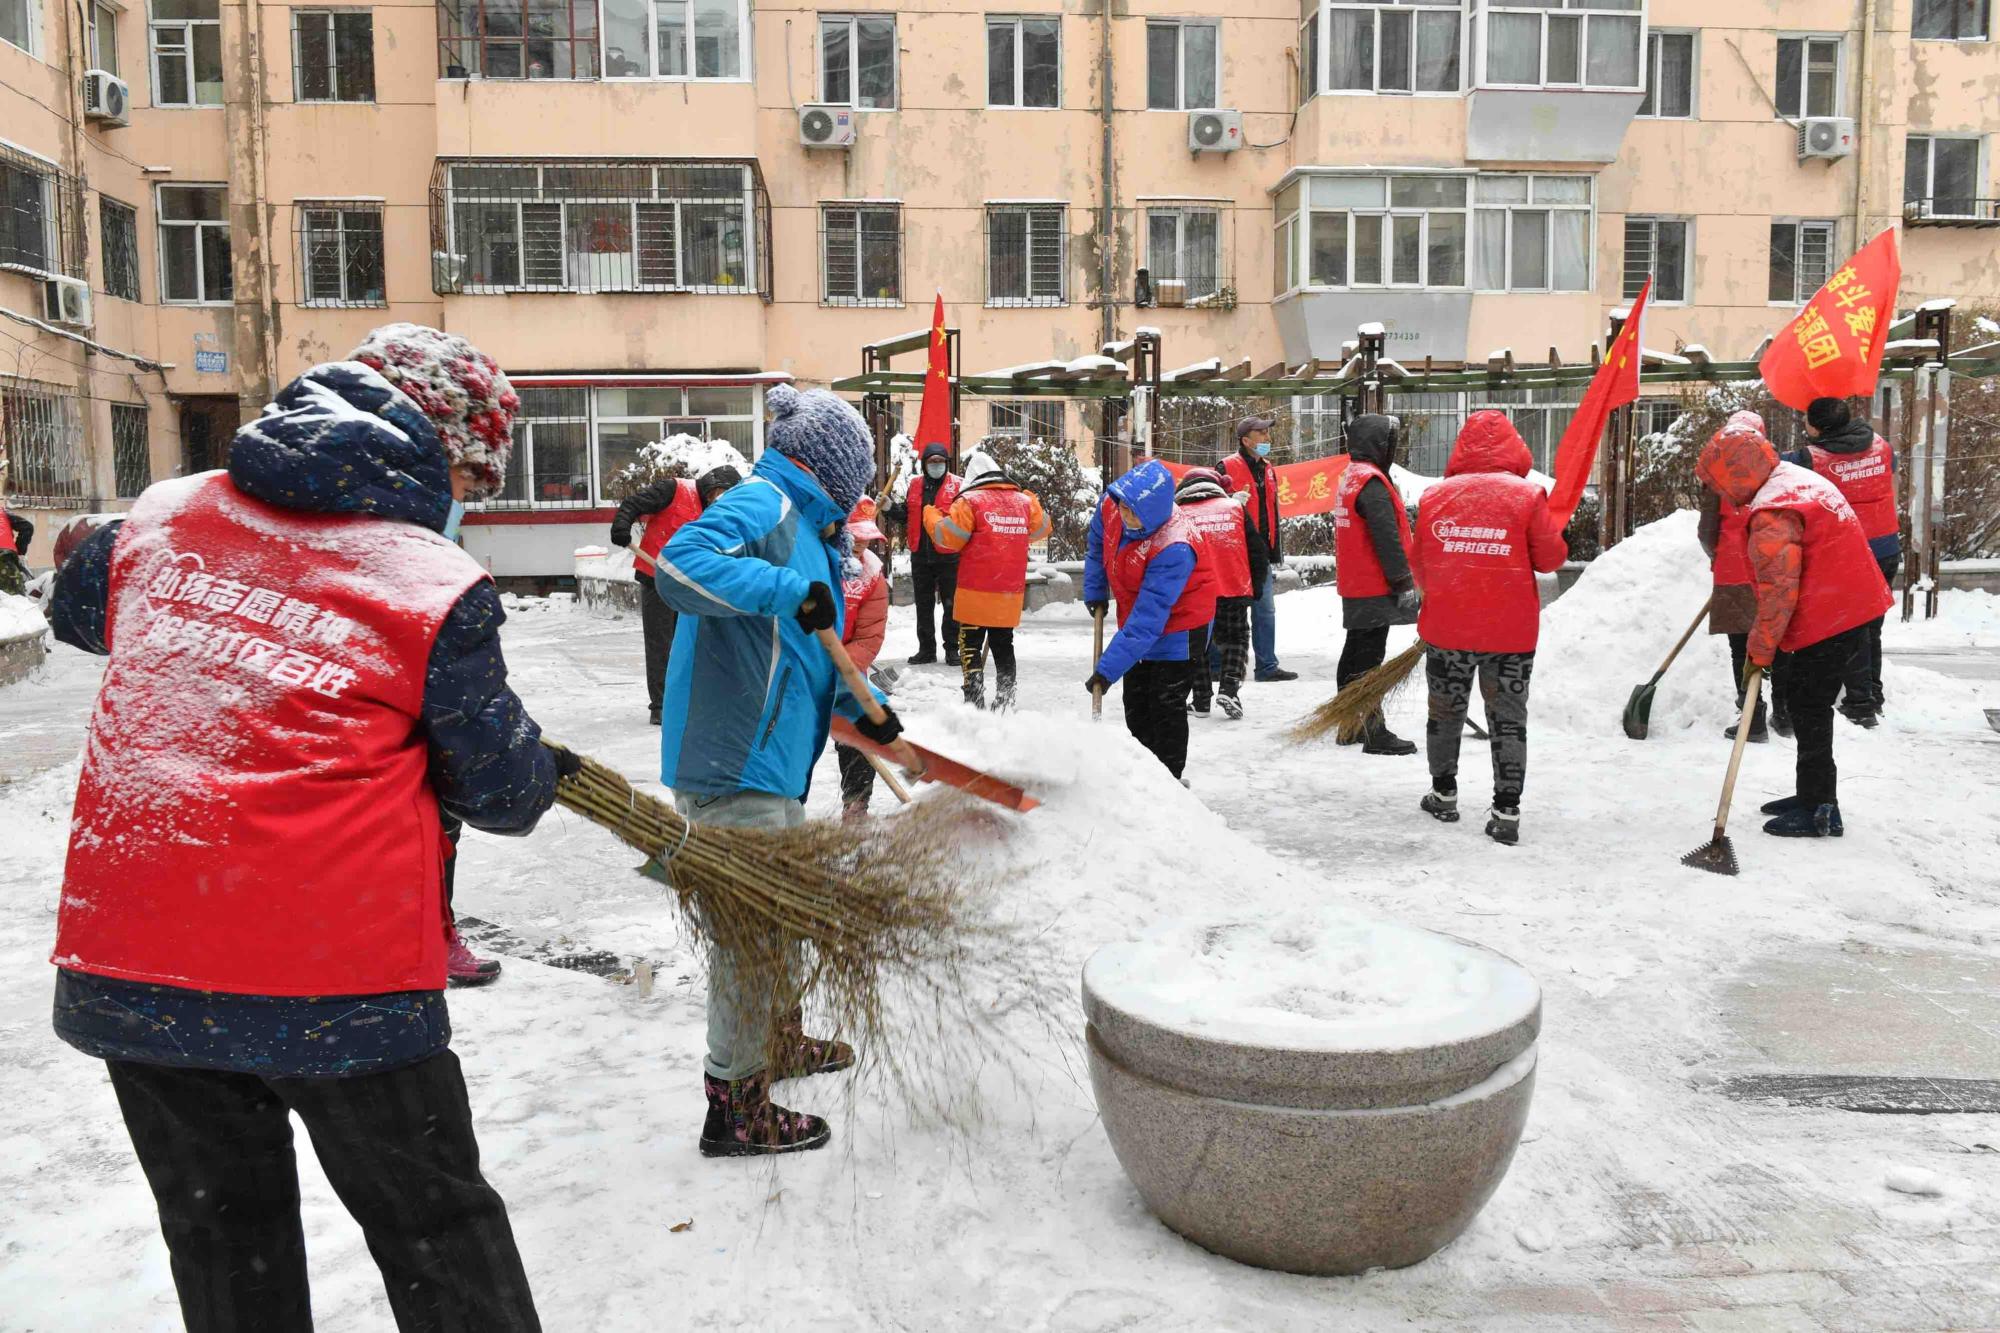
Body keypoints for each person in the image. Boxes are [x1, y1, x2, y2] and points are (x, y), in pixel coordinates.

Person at [43, 324, 571, 1332]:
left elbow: (79, 609)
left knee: (227, 1247)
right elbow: (507, 794)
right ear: (432, 445)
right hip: (337, 985)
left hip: (136, 971)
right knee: (439, 1239)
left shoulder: (163, 516)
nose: (472, 497)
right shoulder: (423, 582)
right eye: (474, 472)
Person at [653, 384, 901, 1156]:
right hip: (732, 761)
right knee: (749, 942)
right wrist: (791, 591)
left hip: (771, 765)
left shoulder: (813, 535)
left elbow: (805, 659)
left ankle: (779, 1041)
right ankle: (736, 1102)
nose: (860, 495)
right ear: (829, 467)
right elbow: (678, 568)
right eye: (857, 477)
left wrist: (870, 713)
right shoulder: (766, 504)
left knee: (778, 925)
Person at [1696, 420, 1895, 838]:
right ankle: (1811, 794)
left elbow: (1777, 593)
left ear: (1737, 473)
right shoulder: (1792, 479)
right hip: (1849, 600)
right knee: (1809, 702)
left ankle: (1821, 807)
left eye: (1719, 483)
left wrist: (1760, 650)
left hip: (1833, 611)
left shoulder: (1773, 512)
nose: (1721, 493)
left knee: (1809, 704)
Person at [1410, 410, 1568, 845]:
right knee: (1509, 720)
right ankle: (1507, 810)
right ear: (1515, 447)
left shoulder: (1434, 496)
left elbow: (1418, 562)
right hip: (1511, 636)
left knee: (1445, 715)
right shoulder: (1528, 495)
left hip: (1448, 632)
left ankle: (1443, 794)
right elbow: (1552, 560)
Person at [1083, 459, 1218, 783]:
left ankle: (1168, 782)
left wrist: (1107, 669)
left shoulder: (1175, 545)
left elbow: (1149, 619)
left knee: (1165, 705)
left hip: (1182, 624)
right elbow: (1097, 544)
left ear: (1155, 512)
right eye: (1124, 507)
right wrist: (1095, 589)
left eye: (1134, 512)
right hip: (1140, 620)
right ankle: (1143, 780)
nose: (1125, 515)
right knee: (1137, 704)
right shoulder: (1112, 506)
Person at [1784, 396, 1899, 728]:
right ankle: (1872, 695)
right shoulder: (1881, 445)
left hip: (1852, 552)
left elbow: (1773, 467)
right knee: (1872, 625)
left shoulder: (1811, 458)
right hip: (1886, 546)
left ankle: (1860, 704)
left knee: (1854, 626)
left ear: (1818, 427)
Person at [610, 463, 743, 725]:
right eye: (719, 493)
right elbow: (634, 503)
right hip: (656, 578)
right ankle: (661, 706)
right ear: (712, 486)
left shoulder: (723, 513)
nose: (721, 500)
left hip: (692, 586)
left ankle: (694, 700)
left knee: (693, 644)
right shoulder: (674, 489)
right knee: (661, 644)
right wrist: (621, 525)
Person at [923, 449, 1049, 709]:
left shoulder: (971, 500)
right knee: (1004, 644)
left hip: (975, 589)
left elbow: (949, 538)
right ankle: (1005, 699)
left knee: (969, 643)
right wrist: (1030, 498)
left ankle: (974, 698)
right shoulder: (1022, 502)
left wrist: (930, 515)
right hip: (1009, 591)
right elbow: (1041, 528)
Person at [1332, 413, 1419, 755]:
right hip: (1374, 582)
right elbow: (1386, 537)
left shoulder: (1352, 477)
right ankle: (1372, 730)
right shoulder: (1372, 483)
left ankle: (1346, 722)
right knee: (1369, 660)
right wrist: (1402, 581)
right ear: (1380, 445)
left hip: (1356, 581)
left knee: (1355, 652)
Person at [1698, 409, 1781, 743]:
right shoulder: (1775, 472)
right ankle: (1786, 713)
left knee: (1741, 646)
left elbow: (1707, 531)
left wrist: (1719, 556)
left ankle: (1753, 717)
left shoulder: (1715, 480)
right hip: (1774, 566)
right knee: (1781, 643)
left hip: (1734, 570)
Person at [1173, 466, 1265, 720]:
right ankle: (1230, 688)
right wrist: (1256, 589)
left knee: (1198, 645)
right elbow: (1257, 550)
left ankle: (1201, 700)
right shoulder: (1234, 509)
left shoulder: (1179, 514)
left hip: (1195, 591)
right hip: (1233, 587)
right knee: (1236, 638)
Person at [1217, 416, 1296, 682]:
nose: (1266, 438)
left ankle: (1267, 666)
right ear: (1245, 440)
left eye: (1267, 433)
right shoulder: (1226, 467)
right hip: (1233, 553)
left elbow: (1271, 510)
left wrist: (1276, 551)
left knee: (1265, 610)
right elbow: (1212, 504)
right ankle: (1217, 668)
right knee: (1227, 610)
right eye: (1260, 433)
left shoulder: (1268, 467)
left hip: (1261, 552)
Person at [836, 497, 892, 821]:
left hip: (847, 669)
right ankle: (781, 807)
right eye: (854, 535)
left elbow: (870, 637)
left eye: (866, 535)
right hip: (800, 667)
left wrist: (840, 665)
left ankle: (856, 806)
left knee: (861, 730)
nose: (861, 542)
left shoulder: (872, 574)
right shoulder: (815, 562)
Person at [885, 439, 961, 664]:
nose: (936, 465)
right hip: (921, 555)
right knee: (924, 606)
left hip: (949, 556)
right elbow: (907, 516)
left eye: (940, 461)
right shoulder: (915, 485)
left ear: (946, 463)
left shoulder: (957, 486)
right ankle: (926, 650)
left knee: (952, 605)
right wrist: (889, 508)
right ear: (925, 464)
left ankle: (952, 649)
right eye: (932, 461)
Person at [0, 505, 32, 595]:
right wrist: (20, 552)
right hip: (5, 558)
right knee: (16, 601)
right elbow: (27, 527)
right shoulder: (3, 512)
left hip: (4, 556)